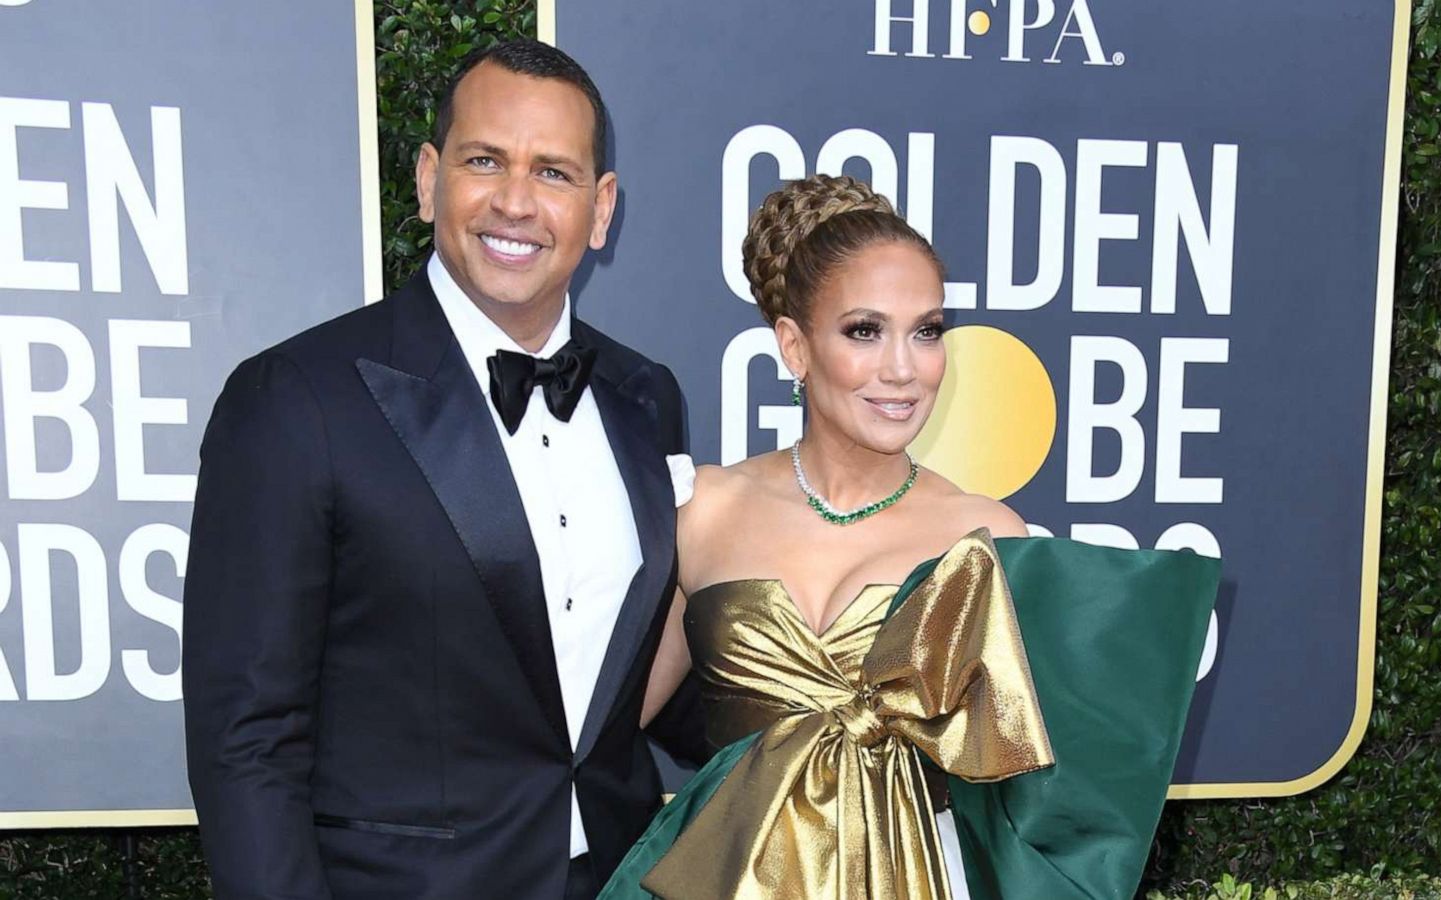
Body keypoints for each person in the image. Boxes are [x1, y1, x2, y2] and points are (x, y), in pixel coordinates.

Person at [600, 175, 1222, 900]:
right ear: (794, 347)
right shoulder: (704, 507)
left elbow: (1046, 807)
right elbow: (603, 727)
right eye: (865, 331)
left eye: (927, 331)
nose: (904, 369)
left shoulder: (984, 536)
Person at [183, 40, 701, 900]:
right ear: (429, 179)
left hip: (618, 881)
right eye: (484, 160)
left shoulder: (646, 397)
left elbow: (639, 684)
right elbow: (248, 741)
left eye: (555, 173)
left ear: (601, 209)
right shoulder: (293, 400)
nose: (515, 201)